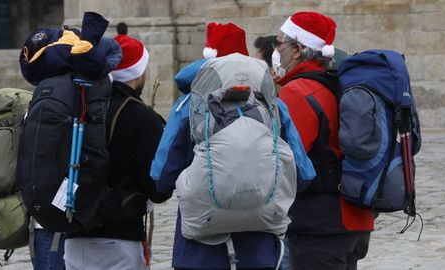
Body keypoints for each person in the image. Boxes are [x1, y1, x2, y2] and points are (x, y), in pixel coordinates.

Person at [150, 22, 315, 270]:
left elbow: (161, 179)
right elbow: (303, 176)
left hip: (199, 252)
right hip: (260, 250)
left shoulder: (188, 106)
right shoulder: (273, 107)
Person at [273, 12, 375, 270]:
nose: (276, 52)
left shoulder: (298, 92)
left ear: (297, 50)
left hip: (320, 225)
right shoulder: (338, 84)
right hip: (354, 218)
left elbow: (287, 162)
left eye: (279, 44)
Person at [64, 33, 172, 270]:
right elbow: (157, 189)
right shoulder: (142, 117)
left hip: (73, 239)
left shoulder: (79, 106)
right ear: (139, 73)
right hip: (120, 240)